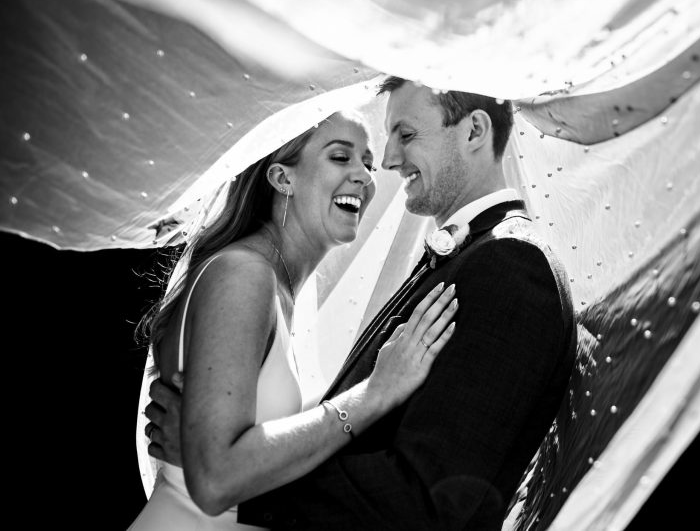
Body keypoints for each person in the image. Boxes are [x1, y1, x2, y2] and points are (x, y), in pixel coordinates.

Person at [149, 77, 578, 529]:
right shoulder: (471, 258)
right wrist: (225, 463)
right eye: (344, 156)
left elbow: (433, 501)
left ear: (474, 131)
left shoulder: (510, 267)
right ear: (280, 178)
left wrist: (232, 475)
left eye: (405, 134)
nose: (387, 163)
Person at [129, 109, 459, 531]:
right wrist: (374, 394)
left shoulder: (276, 287)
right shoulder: (243, 275)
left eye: (368, 163)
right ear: (283, 178)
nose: (364, 176)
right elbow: (214, 479)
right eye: (340, 157)